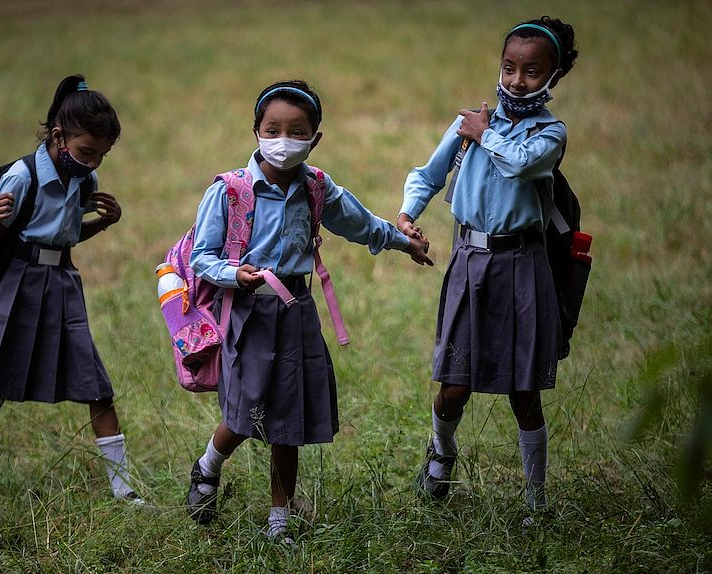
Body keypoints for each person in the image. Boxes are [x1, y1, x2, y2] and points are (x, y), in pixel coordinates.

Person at [186, 80, 432, 541]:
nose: (283, 140)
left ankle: (279, 522)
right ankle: (207, 466)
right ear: (256, 130)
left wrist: (405, 243)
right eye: (273, 128)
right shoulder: (230, 191)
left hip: (297, 311)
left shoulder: (317, 188)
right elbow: (202, 255)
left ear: (315, 138)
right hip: (248, 315)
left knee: (289, 420)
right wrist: (234, 275)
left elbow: (362, 225)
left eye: (297, 132)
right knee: (245, 411)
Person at [397, 17, 578, 523]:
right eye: (509, 67)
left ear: (553, 76)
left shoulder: (550, 133)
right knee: (455, 385)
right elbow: (429, 173)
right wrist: (409, 213)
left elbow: (521, 163)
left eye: (532, 71)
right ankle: (441, 455)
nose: (517, 80)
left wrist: (485, 135)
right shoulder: (473, 121)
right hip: (470, 262)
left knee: (524, 391)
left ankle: (536, 501)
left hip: (523, 264)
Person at [0, 74, 144, 504]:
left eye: (102, 156)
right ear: (59, 136)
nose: (93, 164)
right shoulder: (21, 177)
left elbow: (64, 236)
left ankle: (123, 491)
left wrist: (102, 223)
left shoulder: (83, 181)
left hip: (63, 286)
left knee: (97, 388)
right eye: (87, 152)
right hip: (18, 288)